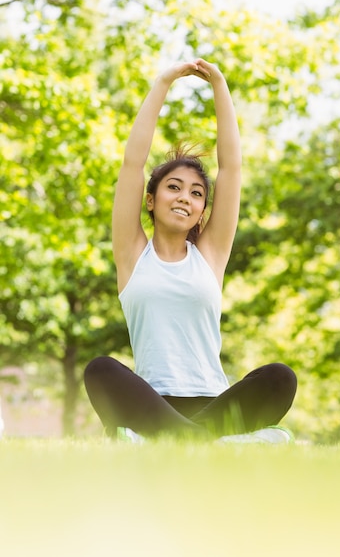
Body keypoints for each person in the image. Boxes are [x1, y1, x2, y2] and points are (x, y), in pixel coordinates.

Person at [84, 58, 297, 441]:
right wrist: (164, 81)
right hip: (151, 402)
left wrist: (219, 84)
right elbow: (132, 165)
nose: (185, 197)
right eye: (174, 187)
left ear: (202, 209)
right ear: (150, 200)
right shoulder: (133, 255)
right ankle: (216, 443)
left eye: (197, 193)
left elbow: (231, 168)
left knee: (280, 377)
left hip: (213, 401)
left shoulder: (210, 256)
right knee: (100, 370)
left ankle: (170, 440)